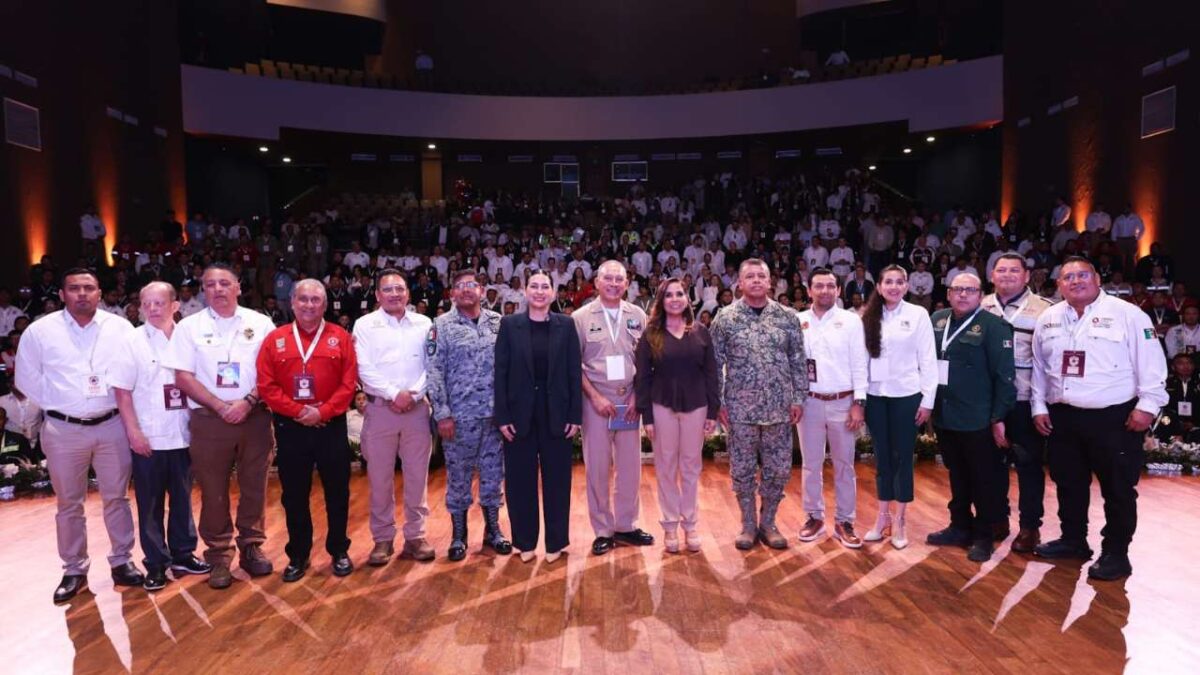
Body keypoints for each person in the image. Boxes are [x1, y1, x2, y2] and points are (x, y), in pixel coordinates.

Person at [1031, 256, 1168, 580]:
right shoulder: (1048, 318)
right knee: (1068, 482)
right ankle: (1073, 540)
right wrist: (1039, 406)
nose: (1075, 281)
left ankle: (1116, 553)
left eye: (1082, 275)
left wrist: (1148, 406)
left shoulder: (1128, 315)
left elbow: (1151, 362)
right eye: (1068, 277)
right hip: (1063, 416)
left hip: (1114, 417)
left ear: (1097, 279)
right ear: (1059, 284)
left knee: (1118, 488)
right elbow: (1039, 366)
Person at [15, 268, 144, 602]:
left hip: (112, 424)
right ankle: (74, 568)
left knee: (117, 497)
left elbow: (135, 370)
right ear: (62, 294)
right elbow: (26, 378)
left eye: (89, 288)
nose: (82, 294)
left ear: (99, 293)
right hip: (63, 429)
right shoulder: (40, 331)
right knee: (69, 503)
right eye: (74, 288)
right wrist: (62, 403)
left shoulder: (120, 328)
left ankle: (122, 560)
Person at [164, 263, 277, 589]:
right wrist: (220, 406)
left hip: (254, 417)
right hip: (209, 420)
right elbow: (182, 376)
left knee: (254, 485)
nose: (217, 289)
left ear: (238, 287)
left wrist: (247, 402)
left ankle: (252, 546)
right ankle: (218, 555)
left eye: (224, 283)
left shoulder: (260, 323)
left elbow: (272, 372)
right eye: (210, 284)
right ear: (203, 290)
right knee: (213, 490)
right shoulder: (189, 327)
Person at [109, 282, 210, 592]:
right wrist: (133, 432)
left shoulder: (190, 337)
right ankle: (155, 563)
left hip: (184, 433)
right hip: (149, 437)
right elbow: (122, 392)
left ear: (175, 306)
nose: (153, 309)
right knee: (150, 504)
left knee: (183, 499)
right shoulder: (131, 341)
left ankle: (183, 554)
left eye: (159, 303)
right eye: (147, 304)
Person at [256, 279, 358, 582]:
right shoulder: (275, 339)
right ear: (292, 303)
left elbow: (349, 383)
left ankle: (339, 549)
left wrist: (322, 412)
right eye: (303, 299)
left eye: (316, 300)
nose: (309, 305)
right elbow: (266, 385)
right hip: (291, 428)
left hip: (331, 426)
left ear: (325, 305)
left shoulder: (341, 337)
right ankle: (298, 554)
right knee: (294, 495)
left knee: (337, 491)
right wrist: (299, 411)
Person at [710, 258, 808, 550]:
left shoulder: (787, 317)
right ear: (739, 283)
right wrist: (718, 402)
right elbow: (714, 365)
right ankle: (748, 524)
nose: (755, 281)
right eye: (749, 276)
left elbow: (798, 361)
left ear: (770, 282)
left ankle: (769, 522)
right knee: (742, 469)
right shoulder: (725, 318)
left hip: (779, 409)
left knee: (778, 469)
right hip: (740, 409)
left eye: (761, 276)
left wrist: (798, 398)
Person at [926, 274, 1016, 562]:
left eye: (970, 290)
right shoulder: (937, 319)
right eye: (957, 289)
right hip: (945, 414)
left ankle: (984, 535)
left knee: (983, 479)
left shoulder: (994, 326)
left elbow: (1005, 377)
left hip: (978, 417)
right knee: (957, 473)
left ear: (980, 295)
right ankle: (959, 526)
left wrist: (998, 417)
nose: (963, 294)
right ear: (948, 294)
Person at [426, 270, 513, 561]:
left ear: (482, 290)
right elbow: (434, 372)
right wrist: (442, 414)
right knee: (459, 476)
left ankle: (493, 530)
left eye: (472, 285)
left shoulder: (498, 322)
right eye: (460, 286)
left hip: (494, 416)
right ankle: (459, 534)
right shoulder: (441, 326)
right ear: (452, 293)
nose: (466, 290)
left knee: (493, 475)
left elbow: (510, 367)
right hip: (458, 418)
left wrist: (508, 410)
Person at [495, 272, 582, 563]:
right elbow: (500, 373)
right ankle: (524, 541)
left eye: (546, 287)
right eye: (534, 286)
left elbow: (574, 372)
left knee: (558, 480)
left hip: (557, 413)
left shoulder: (566, 325)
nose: (540, 291)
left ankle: (556, 542)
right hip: (518, 414)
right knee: (520, 480)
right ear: (525, 291)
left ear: (554, 293)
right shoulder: (509, 325)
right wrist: (502, 415)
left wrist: (575, 414)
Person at [352, 269, 436, 565]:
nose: (394, 294)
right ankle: (383, 538)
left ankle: (416, 536)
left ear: (408, 293)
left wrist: (413, 394)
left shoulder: (424, 323)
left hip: (416, 410)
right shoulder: (364, 325)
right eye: (387, 289)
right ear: (377, 295)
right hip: (380, 410)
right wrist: (392, 394)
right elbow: (362, 367)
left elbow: (432, 364)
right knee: (380, 478)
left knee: (417, 476)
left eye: (400, 289)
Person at [572, 260, 654, 555]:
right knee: (597, 468)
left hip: (628, 400)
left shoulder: (638, 315)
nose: (614, 284)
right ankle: (603, 530)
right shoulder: (581, 318)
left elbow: (646, 361)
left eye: (620, 279)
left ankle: (626, 525)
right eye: (608, 278)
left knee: (630, 467)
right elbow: (573, 365)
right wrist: (594, 397)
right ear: (596, 282)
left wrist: (637, 396)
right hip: (597, 401)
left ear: (627, 284)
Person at [633, 277, 719, 554]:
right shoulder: (651, 334)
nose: (674, 299)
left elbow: (711, 374)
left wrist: (713, 411)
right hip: (662, 407)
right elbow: (642, 378)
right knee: (666, 467)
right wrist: (647, 416)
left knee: (691, 468)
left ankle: (690, 524)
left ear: (687, 298)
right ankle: (670, 525)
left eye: (679, 294)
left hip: (697, 406)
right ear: (661, 300)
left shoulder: (701, 332)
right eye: (668, 295)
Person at [980, 253, 1056, 552]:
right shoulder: (979, 305)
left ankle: (1029, 527)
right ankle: (997, 519)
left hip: (1025, 401)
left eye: (1014, 270)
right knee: (990, 465)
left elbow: (1048, 362)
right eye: (1001, 270)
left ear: (1027, 276)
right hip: (987, 403)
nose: (1007, 275)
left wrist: (1041, 405)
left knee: (1028, 466)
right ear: (992, 276)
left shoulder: (1046, 310)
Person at [860, 264, 938, 549]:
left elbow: (928, 359)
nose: (894, 286)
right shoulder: (867, 316)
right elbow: (861, 361)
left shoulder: (918, 315)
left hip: (907, 395)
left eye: (899, 282)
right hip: (875, 396)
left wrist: (927, 401)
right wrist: (860, 398)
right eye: (888, 282)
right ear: (879, 287)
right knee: (882, 458)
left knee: (903, 457)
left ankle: (901, 520)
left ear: (906, 286)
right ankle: (882, 517)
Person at [795, 268, 868, 549]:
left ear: (838, 290)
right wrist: (795, 400)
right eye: (819, 286)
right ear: (809, 290)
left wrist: (858, 403)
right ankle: (814, 517)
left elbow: (860, 363)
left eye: (830, 286)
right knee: (810, 464)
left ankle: (844, 521)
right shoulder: (798, 320)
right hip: (809, 402)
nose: (824, 290)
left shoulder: (851, 321)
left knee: (845, 465)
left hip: (843, 402)